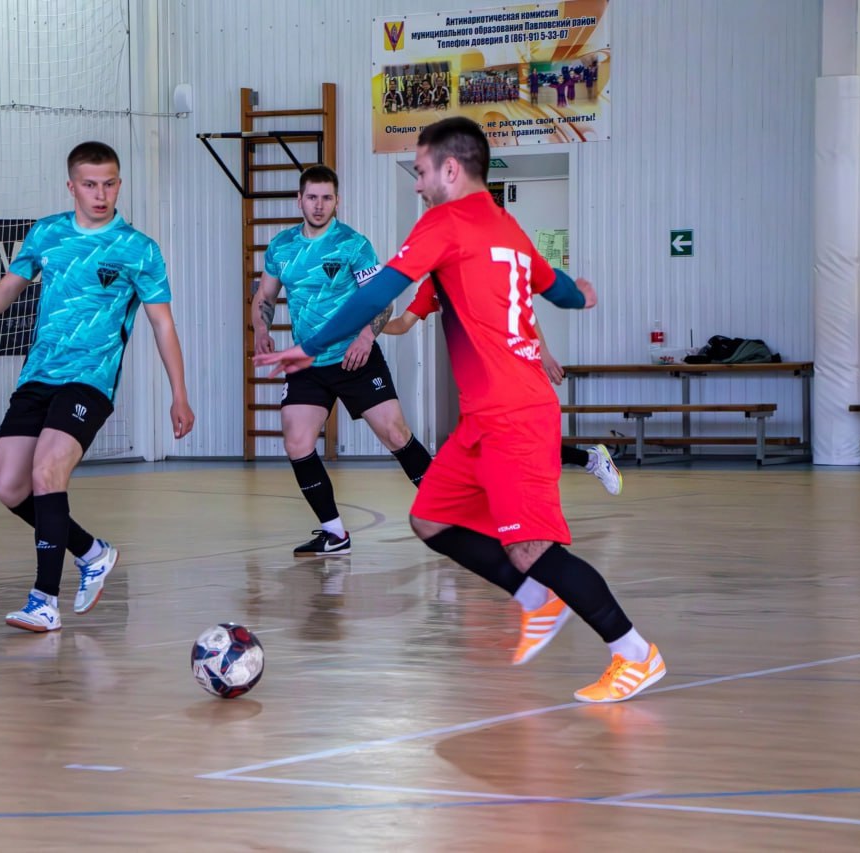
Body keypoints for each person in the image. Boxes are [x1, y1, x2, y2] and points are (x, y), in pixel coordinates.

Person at [256, 117, 664, 703]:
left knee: (529, 547)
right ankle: (534, 598)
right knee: (430, 518)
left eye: (422, 171)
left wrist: (311, 344)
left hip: (515, 413)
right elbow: (557, 288)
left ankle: (634, 652)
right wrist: (584, 295)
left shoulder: (446, 222)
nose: (418, 184)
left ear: (450, 169)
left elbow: (377, 292)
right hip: (483, 417)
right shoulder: (507, 227)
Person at [0, 141, 194, 633]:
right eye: (90, 185)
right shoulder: (47, 233)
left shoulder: (138, 249)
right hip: (39, 375)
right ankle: (92, 553)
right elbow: (9, 287)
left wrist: (178, 393)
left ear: (119, 184)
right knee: (9, 485)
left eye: (110, 184)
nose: (101, 194)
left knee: (47, 470)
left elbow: (162, 324)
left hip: (90, 381)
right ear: (71, 186)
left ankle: (44, 601)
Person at [252, 165, 433, 556]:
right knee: (296, 441)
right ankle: (334, 533)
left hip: (355, 358)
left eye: (327, 198)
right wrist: (261, 330)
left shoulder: (353, 244)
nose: (319, 206)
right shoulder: (282, 247)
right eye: (312, 197)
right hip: (309, 362)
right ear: (299, 200)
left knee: (396, 434)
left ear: (337, 201)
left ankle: (454, 513)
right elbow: (264, 297)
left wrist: (367, 337)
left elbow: (381, 300)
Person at [382, 276, 623, 496]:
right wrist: (371, 326)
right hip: (478, 377)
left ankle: (589, 461)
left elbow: (524, 312)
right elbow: (403, 324)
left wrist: (544, 353)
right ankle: (589, 460)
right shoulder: (431, 287)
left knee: (522, 442)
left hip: (511, 363)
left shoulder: (480, 273)